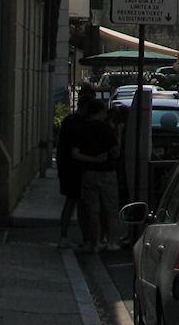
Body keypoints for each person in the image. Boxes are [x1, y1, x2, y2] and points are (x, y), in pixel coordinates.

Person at [72, 98, 121, 251]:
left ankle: (94, 241)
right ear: (100, 112)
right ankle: (109, 240)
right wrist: (120, 134)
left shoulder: (81, 128)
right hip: (107, 172)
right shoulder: (107, 128)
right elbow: (116, 151)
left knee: (92, 209)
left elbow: (75, 153)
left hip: (89, 172)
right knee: (110, 207)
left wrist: (92, 160)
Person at [55, 88, 95, 248]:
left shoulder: (68, 121)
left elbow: (61, 146)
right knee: (80, 205)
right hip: (78, 168)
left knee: (71, 202)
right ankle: (84, 239)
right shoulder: (83, 124)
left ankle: (65, 236)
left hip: (67, 167)